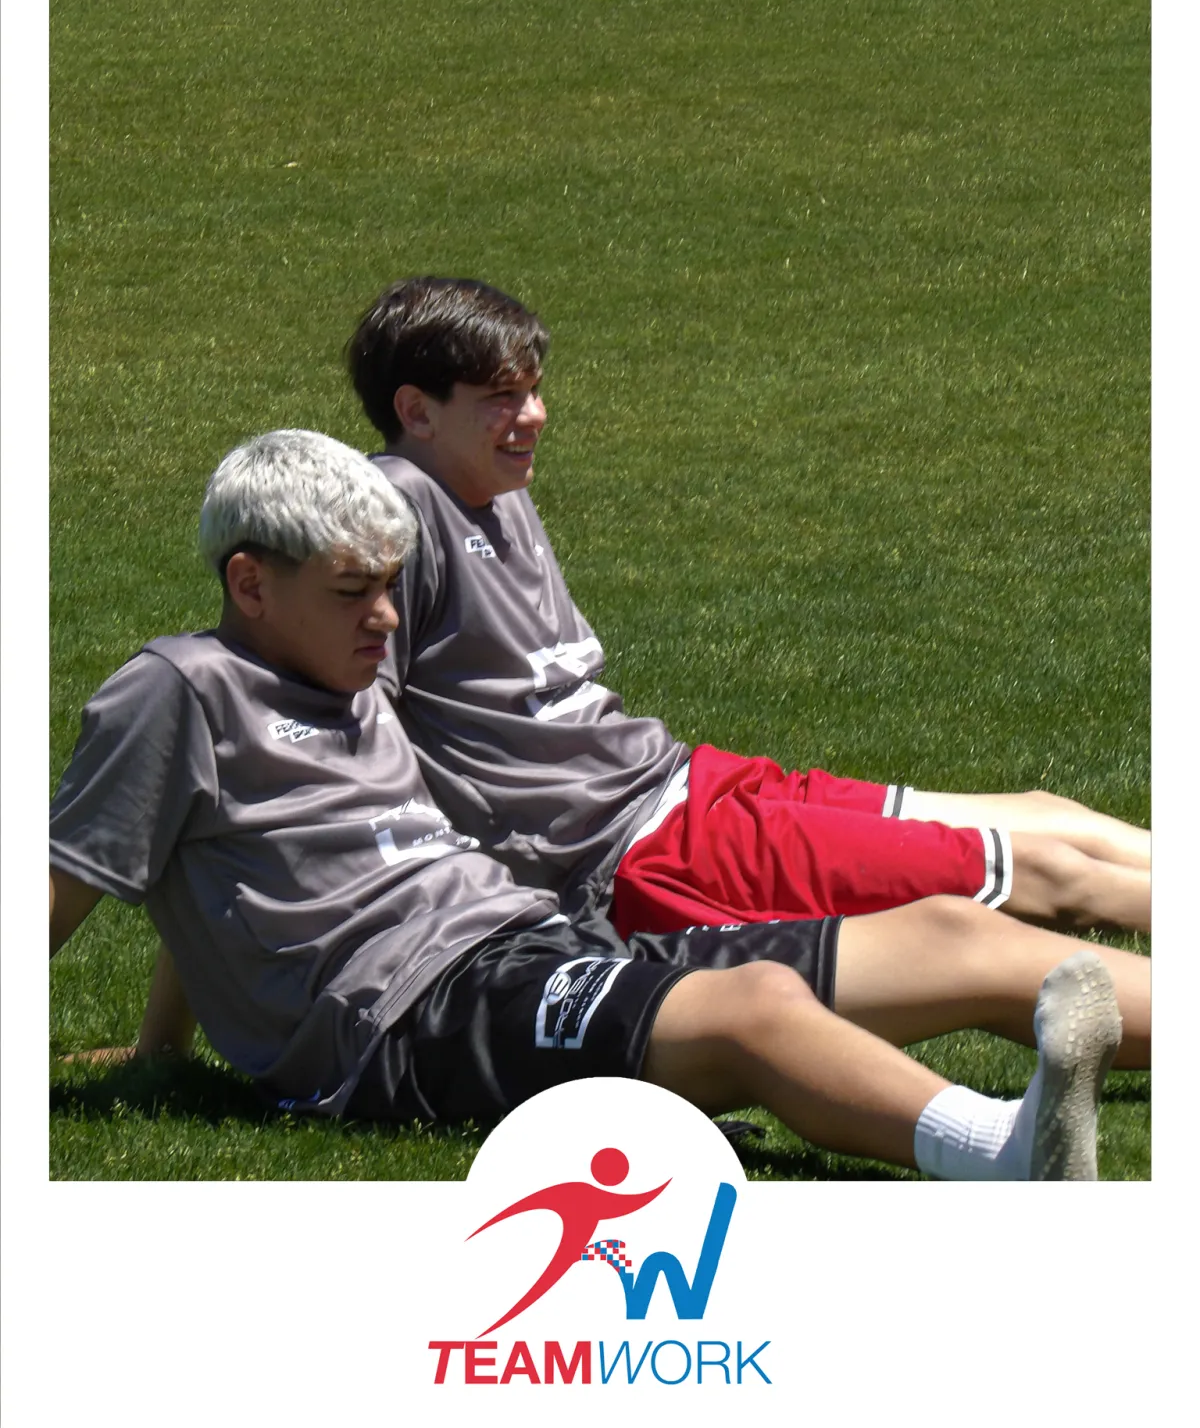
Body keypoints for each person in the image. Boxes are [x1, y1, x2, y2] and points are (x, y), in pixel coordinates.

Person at [51, 430, 1150, 1181]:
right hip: (411, 1018)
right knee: (755, 1009)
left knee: (954, 932)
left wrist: (160, 1051)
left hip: (536, 938)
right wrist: (178, 1048)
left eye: (391, 584)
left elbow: (210, 879)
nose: (387, 617)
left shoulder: (348, 668)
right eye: (354, 592)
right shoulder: (175, 690)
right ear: (250, 582)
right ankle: (1006, 1154)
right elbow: (74, 887)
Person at [346, 275, 1150, 938]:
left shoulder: (492, 484)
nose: (534, 416)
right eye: (502, 396)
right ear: (417, 411)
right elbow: (357, 730)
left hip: (679, 779)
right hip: (634, 848)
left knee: (1043, 816)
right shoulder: (395, 510)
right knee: (1044, 873)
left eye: (533, 390)